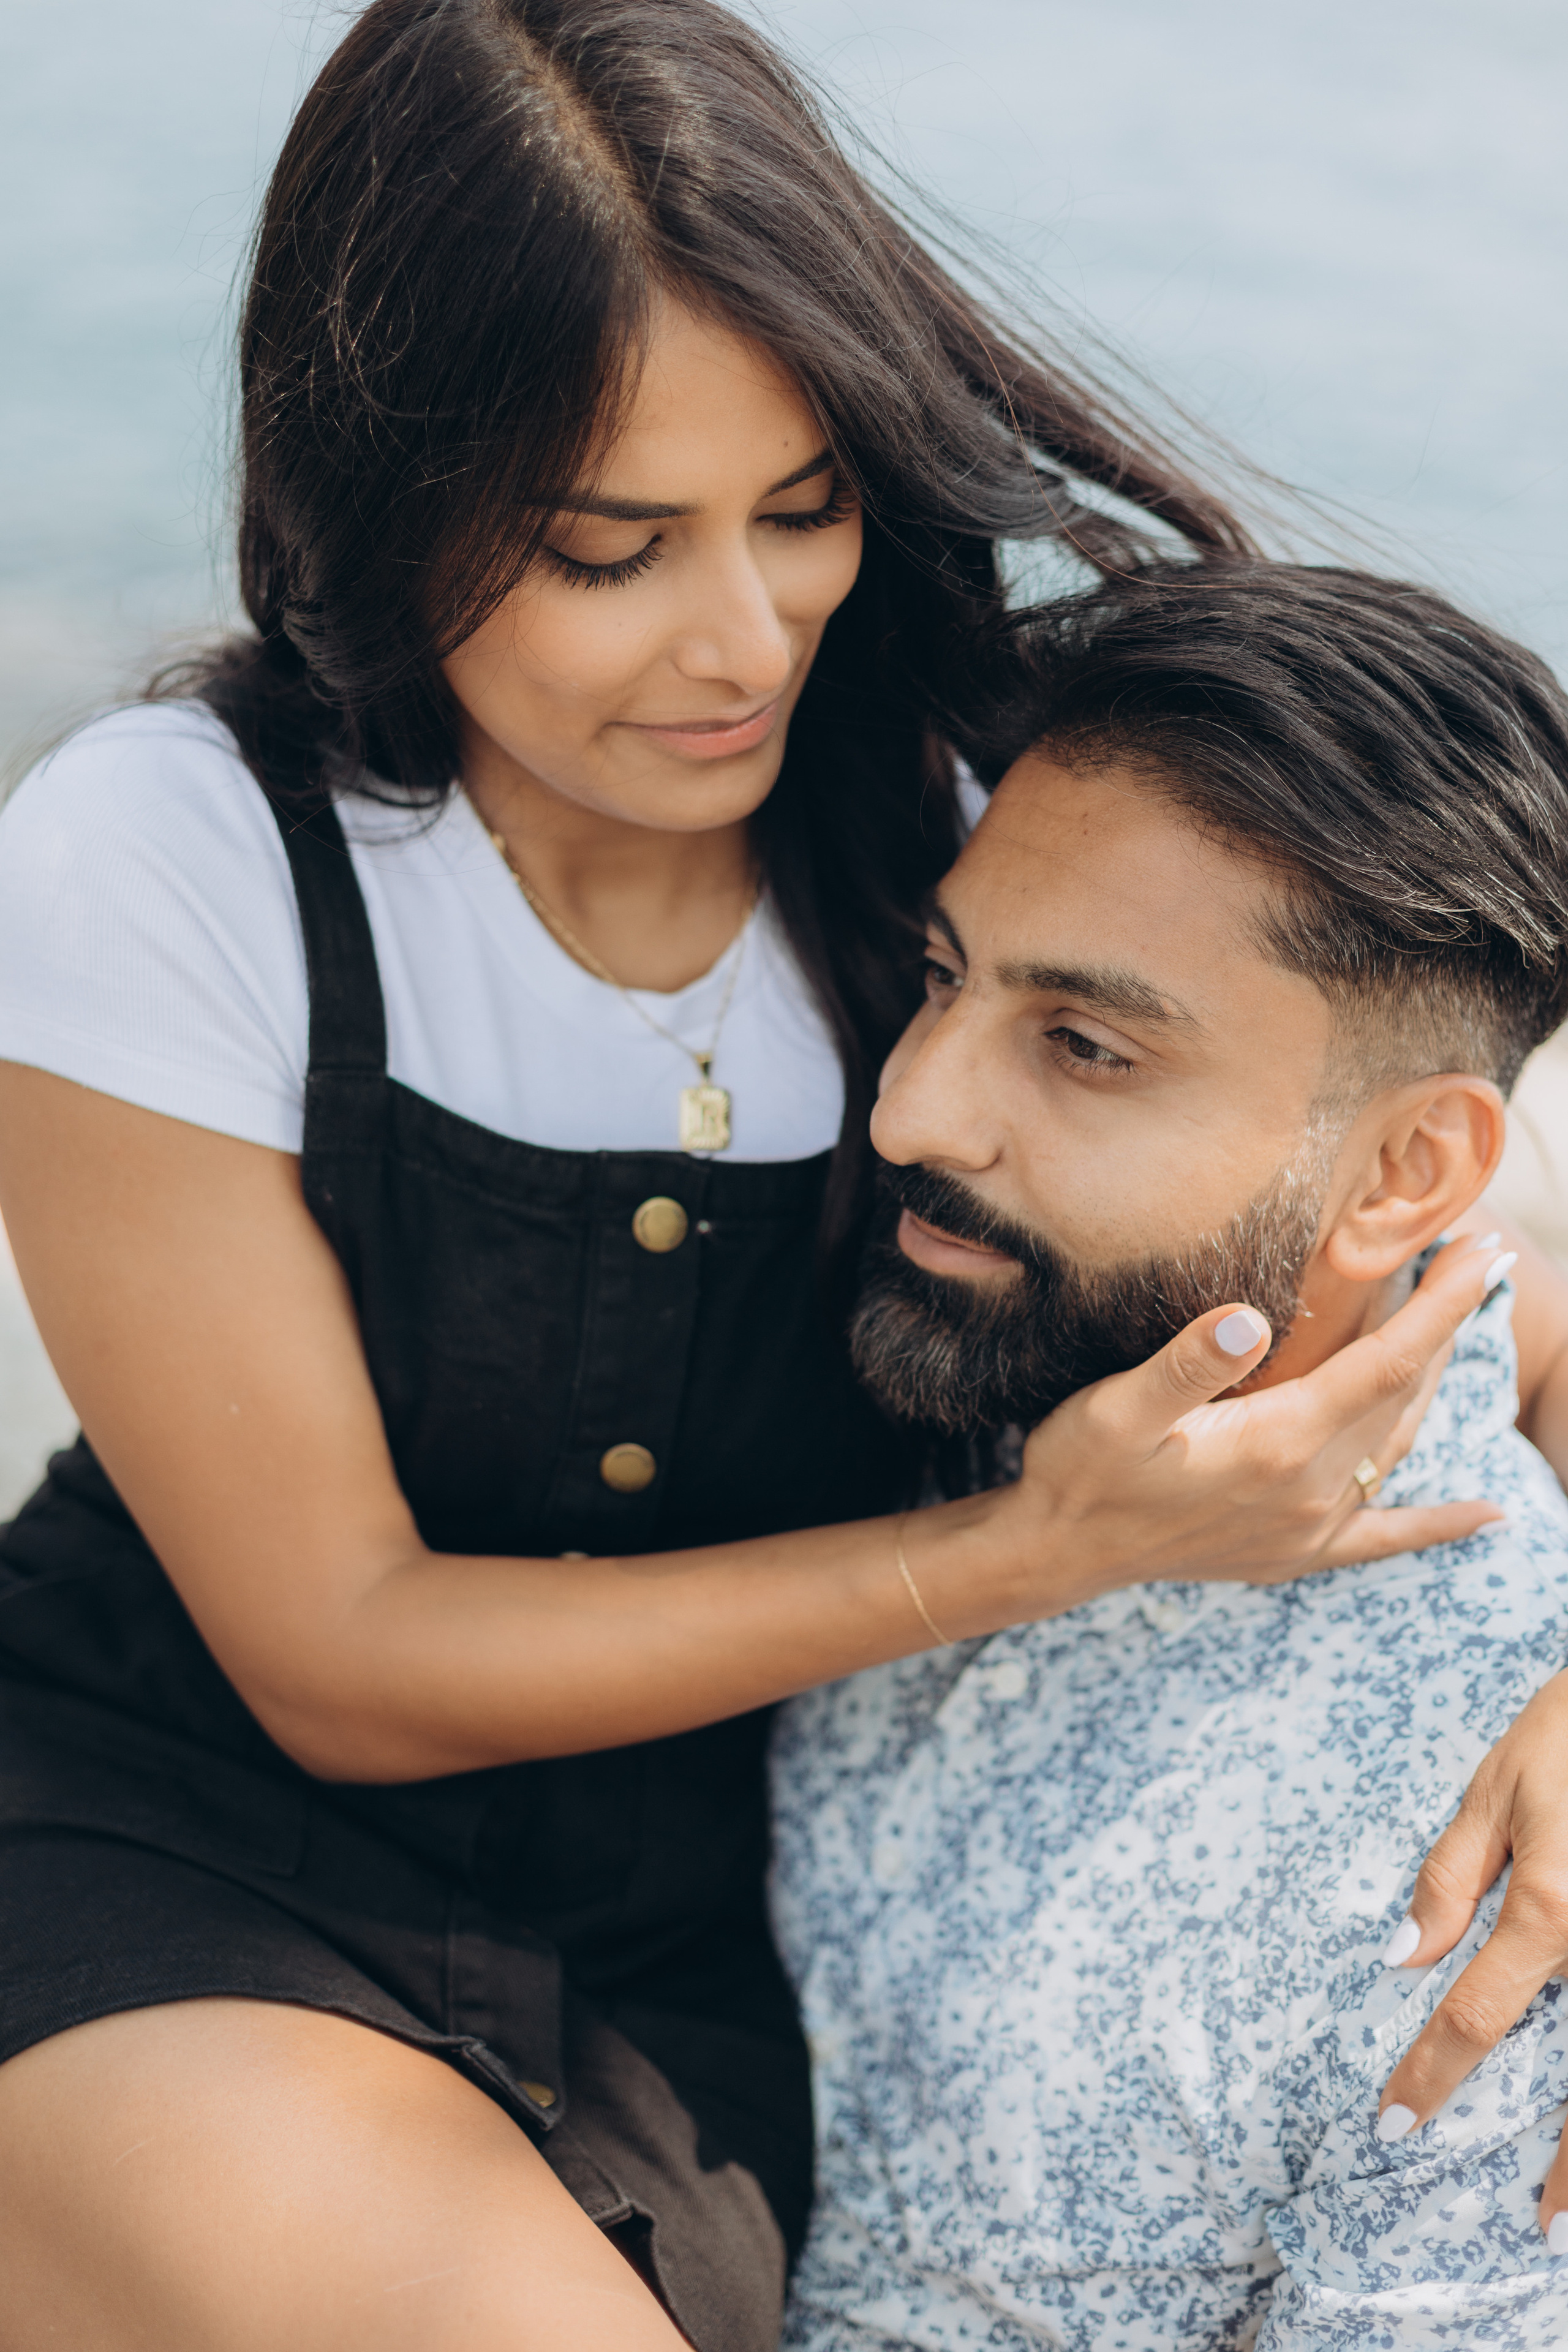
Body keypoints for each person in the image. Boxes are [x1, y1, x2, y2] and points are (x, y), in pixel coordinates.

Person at [0, 3, 1561, 2345]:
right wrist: (1025, 1557)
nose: (744, 643)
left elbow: (1472, 1226)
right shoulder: (179, 856)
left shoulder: (961, 822)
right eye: (613, 551)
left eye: (804, 508)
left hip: (713, 1973)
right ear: (380, 503)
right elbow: (339, 1654)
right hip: (182, 1829)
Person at [771, 562, 1568, 2350]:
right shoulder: (997, 1337)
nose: (908, 1108)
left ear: (1406, 1175)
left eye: (1084, 1046)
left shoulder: (1487, 1882)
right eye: (941, 976)